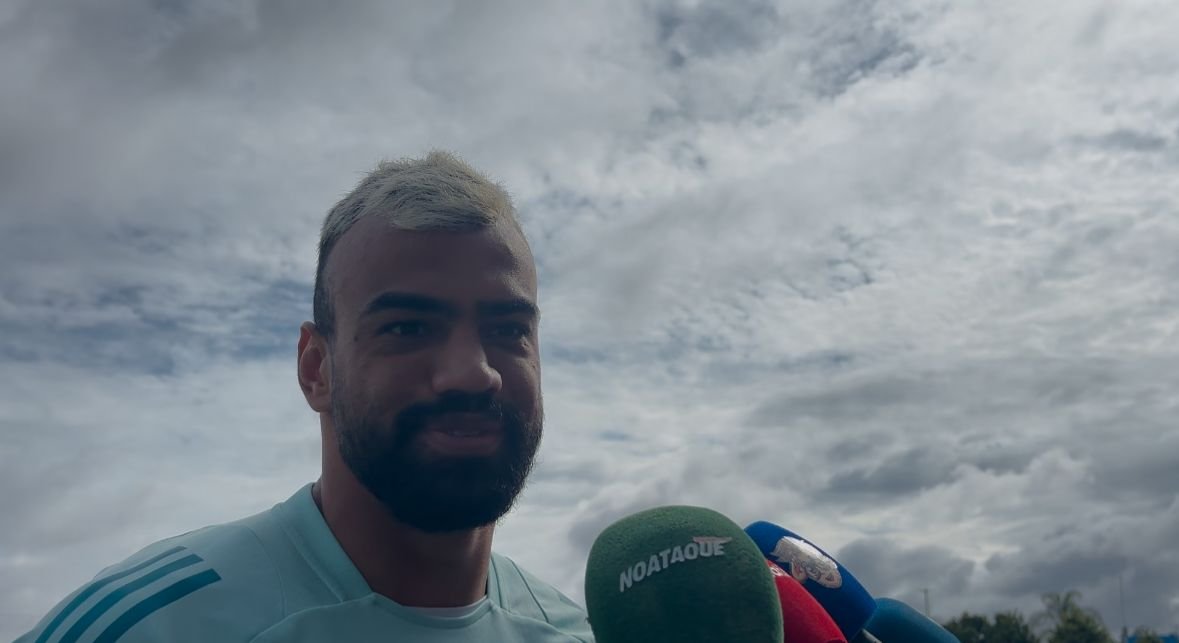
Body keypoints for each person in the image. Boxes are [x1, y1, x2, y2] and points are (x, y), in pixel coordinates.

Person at [18, 151, 594, 642]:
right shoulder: (149, 625)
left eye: (508, 329)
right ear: (316, 368)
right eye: (408, 327)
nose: (473, 374)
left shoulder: (578, 632)